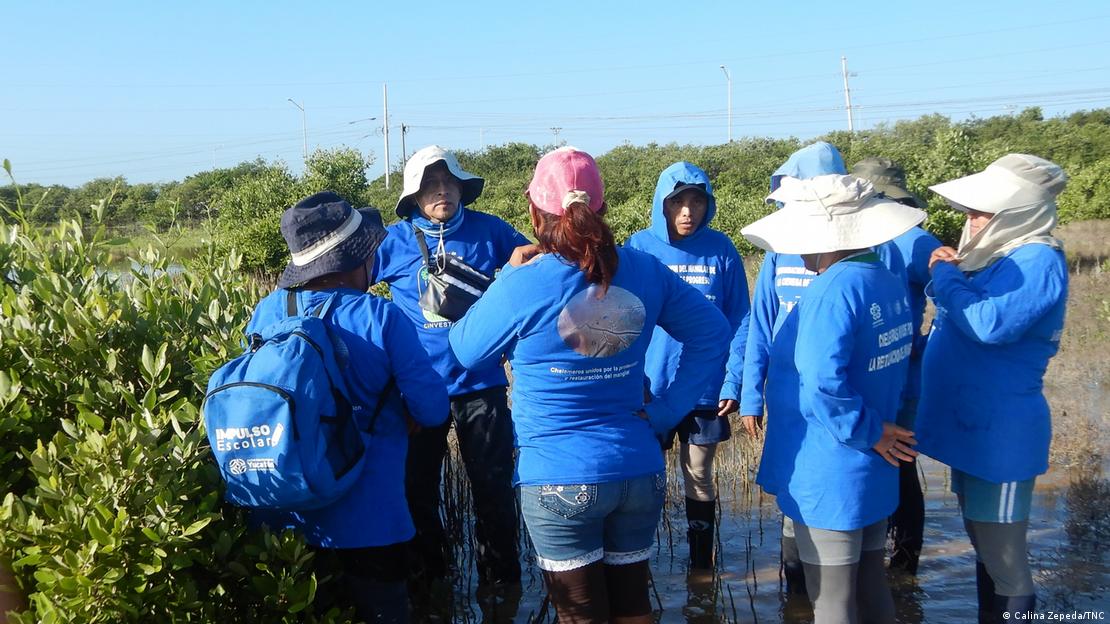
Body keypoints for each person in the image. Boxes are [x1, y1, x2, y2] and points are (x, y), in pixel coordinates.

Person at [449, 147, 731, 623]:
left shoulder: (525, 282)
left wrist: (504, 276)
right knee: (634, 608)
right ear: (601, 208)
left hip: (559, 477)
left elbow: (466, 349)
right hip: (637, 467)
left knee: (582, 616)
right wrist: (665, 411)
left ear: (534, 209)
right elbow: (713, 333)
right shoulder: (643, 268)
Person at [249, 191, 450, 623]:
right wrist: (405, 409)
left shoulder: (265, 312)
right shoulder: (381, 316)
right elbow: (433, 410)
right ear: (353, 261)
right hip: (372, 519)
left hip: (287, 518)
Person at [741, 174, 924, 624]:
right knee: (870, 583)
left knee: (832, 601)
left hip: (832, 469)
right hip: (874, 465)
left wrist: (868, 430)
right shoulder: (883, 277)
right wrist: (881, 431)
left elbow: (822, 383)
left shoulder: (830, 290)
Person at [916, 154, 1069, 623]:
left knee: (1006, 563)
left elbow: (989, 323)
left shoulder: (1038, 260)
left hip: (999, 435)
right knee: (983, 545)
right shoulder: (995, 258)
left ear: (1017, 215)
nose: (970, 221)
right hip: (973, 431)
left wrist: (943, 274)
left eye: (981, 212)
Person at [371, 145, 529, 598]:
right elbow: (355, 285)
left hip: (482, 384)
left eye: (448, 183)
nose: (441, 191)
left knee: (493, 487)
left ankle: (502, 585)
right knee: (418, 489)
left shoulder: (490, 231)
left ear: (461, 188)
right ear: (413, 196)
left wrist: (516, 270)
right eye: (430, 185)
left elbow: (535, 260)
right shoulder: (394, 242)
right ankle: (432, 581)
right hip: (419, 389)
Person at [625, 161, 750, 571]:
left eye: (697, 202)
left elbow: (740, 318)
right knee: (645, 480)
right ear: (662, 203)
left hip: (705, 387)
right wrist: (633, 381)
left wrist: (734, 380)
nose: (687, 211)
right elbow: (621, 318)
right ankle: (641, 561)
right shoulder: (638, 247)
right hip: (652, 388)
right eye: (678, 201)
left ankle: (701, 568)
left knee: (698, 474)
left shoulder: (722, 249)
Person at [739, 140, 847, 594]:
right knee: (791, 498)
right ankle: (796, 598)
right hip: (786, 403)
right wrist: (750, 395)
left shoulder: (860, 249)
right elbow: (759, 326)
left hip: (836, 405)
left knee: (834, 510)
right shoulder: (779, 253)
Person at [851, 157, 942, 574]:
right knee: (876, 465)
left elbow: (953, 286)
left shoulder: (913, 239)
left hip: (901, 381)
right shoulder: (860, 239)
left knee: (900, 468)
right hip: (869, 379)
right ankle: (878, 565)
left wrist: (927, 343)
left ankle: (904, 568)